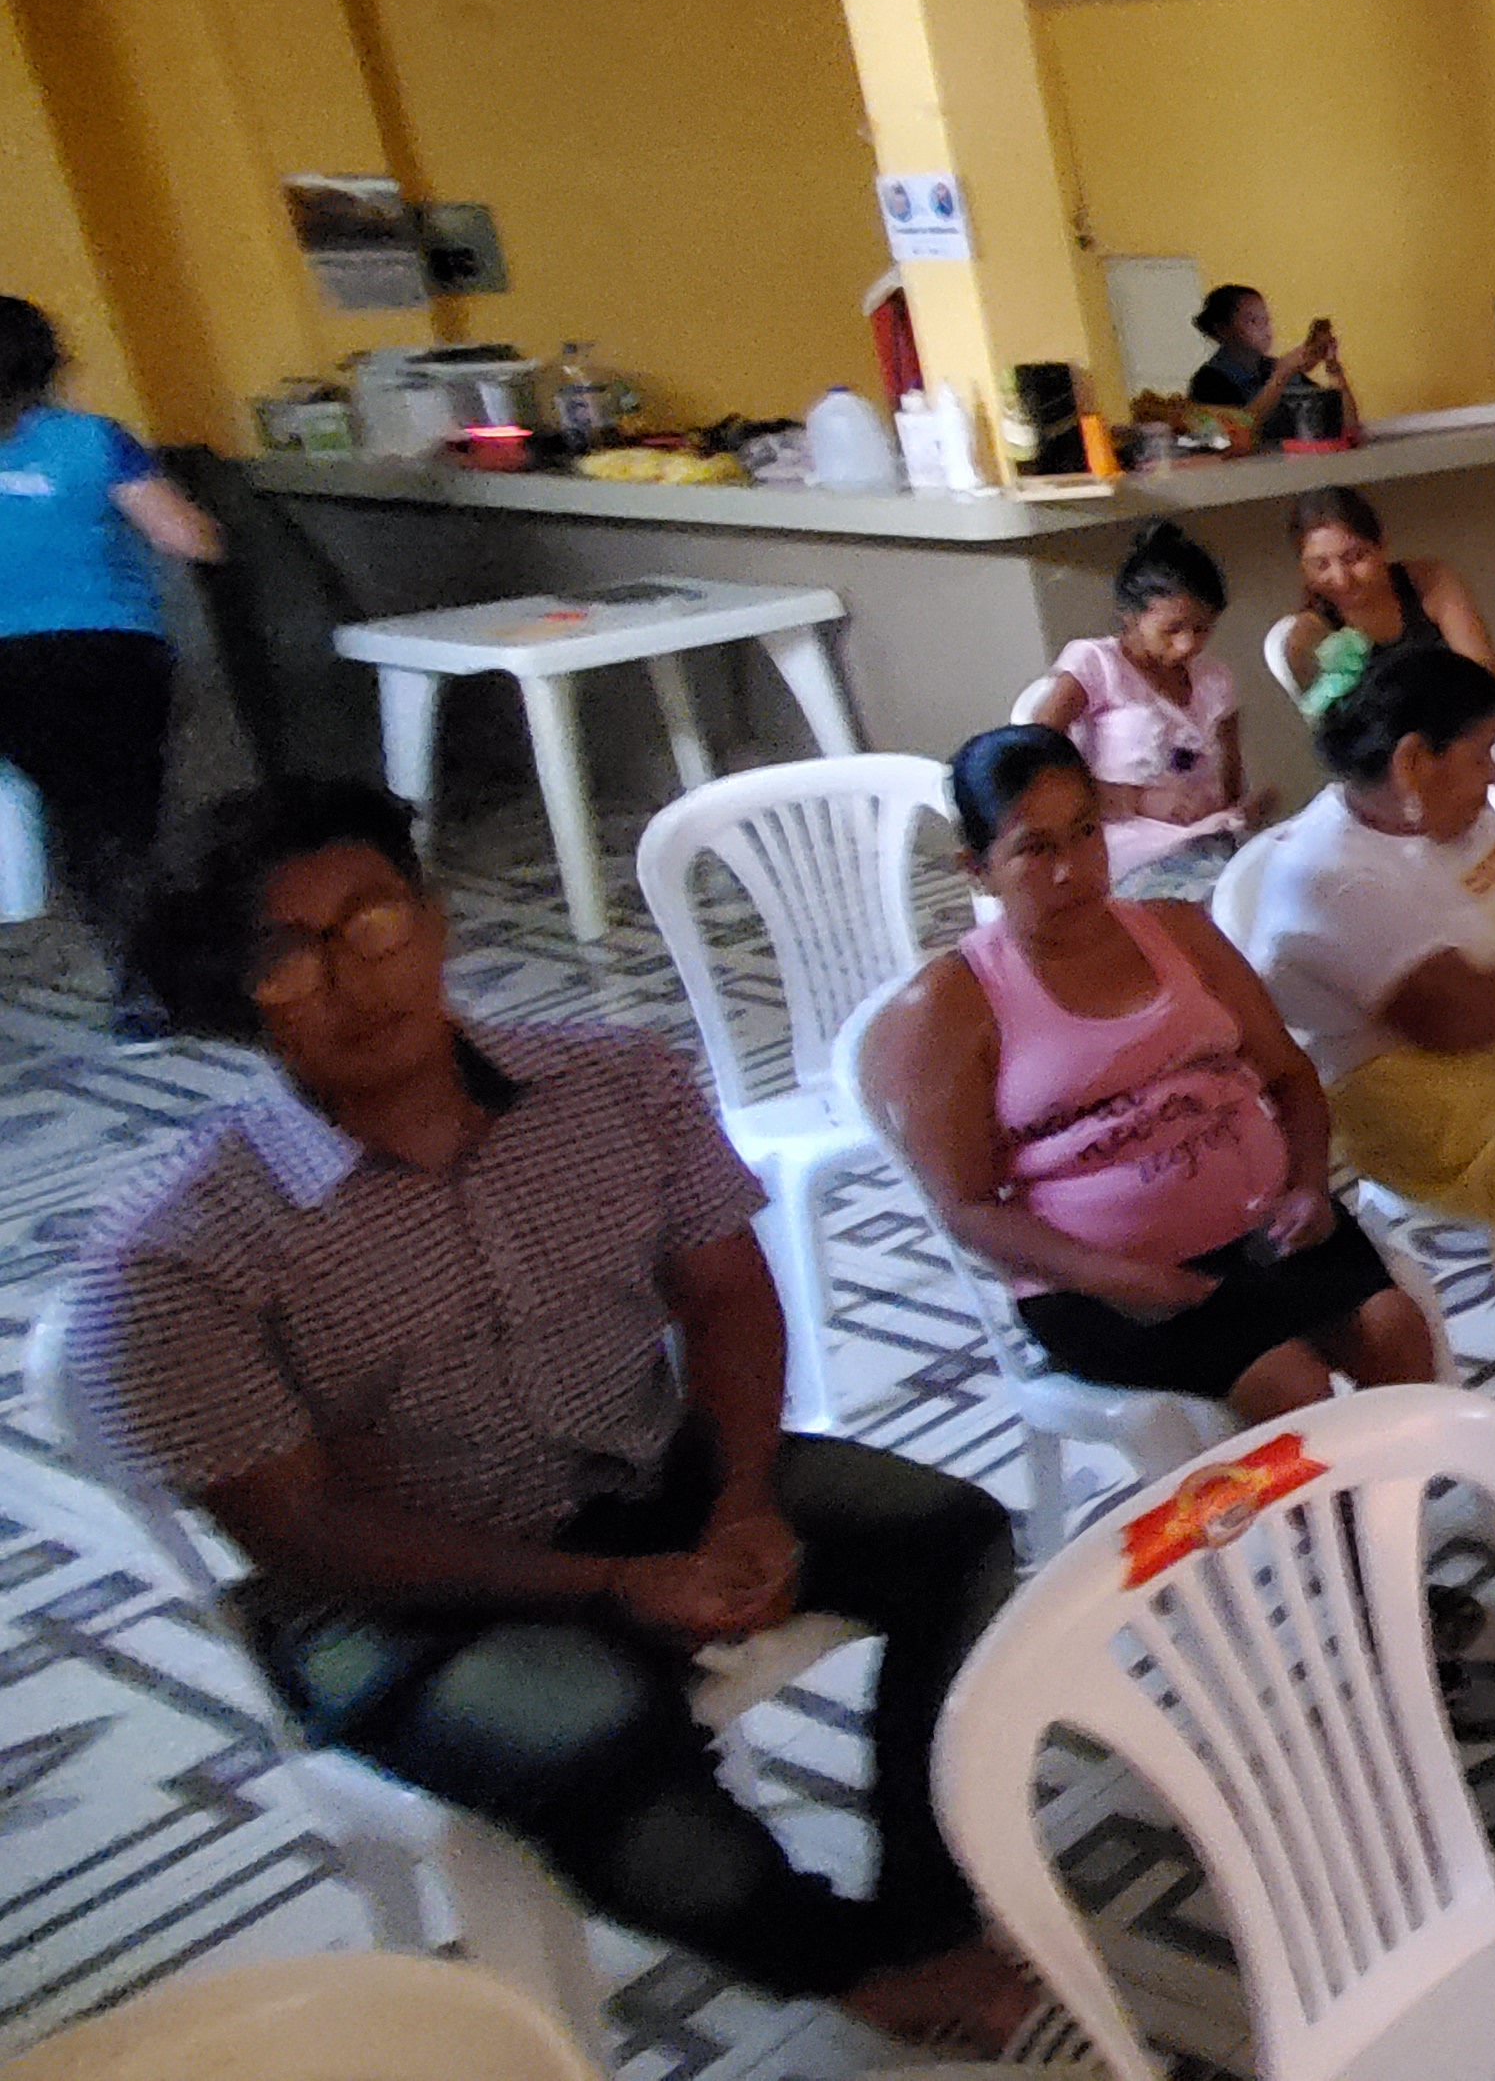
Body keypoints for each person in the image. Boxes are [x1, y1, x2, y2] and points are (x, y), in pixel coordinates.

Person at [57, 781, 1037, 2048]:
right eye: (286, 958)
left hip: (645, 1474)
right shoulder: (178, 1254)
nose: (353, 980)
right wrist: (613, 1588)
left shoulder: (615, 1082)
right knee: (589, 1732)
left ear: (433, 917)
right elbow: (302, 1531)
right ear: (236, 996)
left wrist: (740, 1495)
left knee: (954, 1536)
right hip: (391, 1590)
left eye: (372, 922)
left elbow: (725, 1295)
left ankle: (929, 1911)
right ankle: (842, 1964)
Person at [863, 728, 1437, 1419]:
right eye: (1035, 849)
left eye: (1085, 833)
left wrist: (1310, 1184)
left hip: (1268, 1234)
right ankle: (1315, 1498)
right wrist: (1118, 1278)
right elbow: (968, 1207)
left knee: (1396, 1332)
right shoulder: (953, 1004)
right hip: (1101, 1288)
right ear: (977, 868)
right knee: (1289, 1385)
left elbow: (1288, 1075)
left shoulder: (1180, 932)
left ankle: (1402, 1492)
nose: (1071, 869)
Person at [1244, 646, 1495, 1292]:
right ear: (1412, 762)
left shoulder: (1459, 818)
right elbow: (1461, 1020)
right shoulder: (1329, 876)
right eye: (1481, 753)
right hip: (1451, 1108)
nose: (1494, 774)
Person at [0, 295, 221, 1044]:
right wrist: (213, 529)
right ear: (49, 365)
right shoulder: (92, 440)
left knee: (63, 811)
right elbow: (186, 538)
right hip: (108, 656)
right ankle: (145, 991)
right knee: (115, 823)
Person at [1019, 519, 1259, 885]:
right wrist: (1136, 799)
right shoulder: (1097, 665)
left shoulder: (1215, 679)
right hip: (1130, 850)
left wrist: (1242, 810)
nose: (1188, 644)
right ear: (1130, 616)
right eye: (1172, 629)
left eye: (1202, 629)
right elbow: (1033, 757)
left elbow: (1231, 782)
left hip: (1210, 841)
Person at [1277, 486, 1495, 716]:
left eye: (1354, 558)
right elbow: (1332, 729)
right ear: (1302, 568)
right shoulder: (1308, 635)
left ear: (1382, 545)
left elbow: (1488, 682)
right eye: (1321, 565)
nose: (1342, 579)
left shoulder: (1428, 583)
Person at [1182, 282, 1350, 436]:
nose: (1265, 328)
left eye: (1266, 319)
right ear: (1223, 329)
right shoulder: (1209, 381)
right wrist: (1280, 376)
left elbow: (1346, 425)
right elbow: (1238, 432)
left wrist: (1333, 367)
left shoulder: (1277, 368)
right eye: (1253, 321)